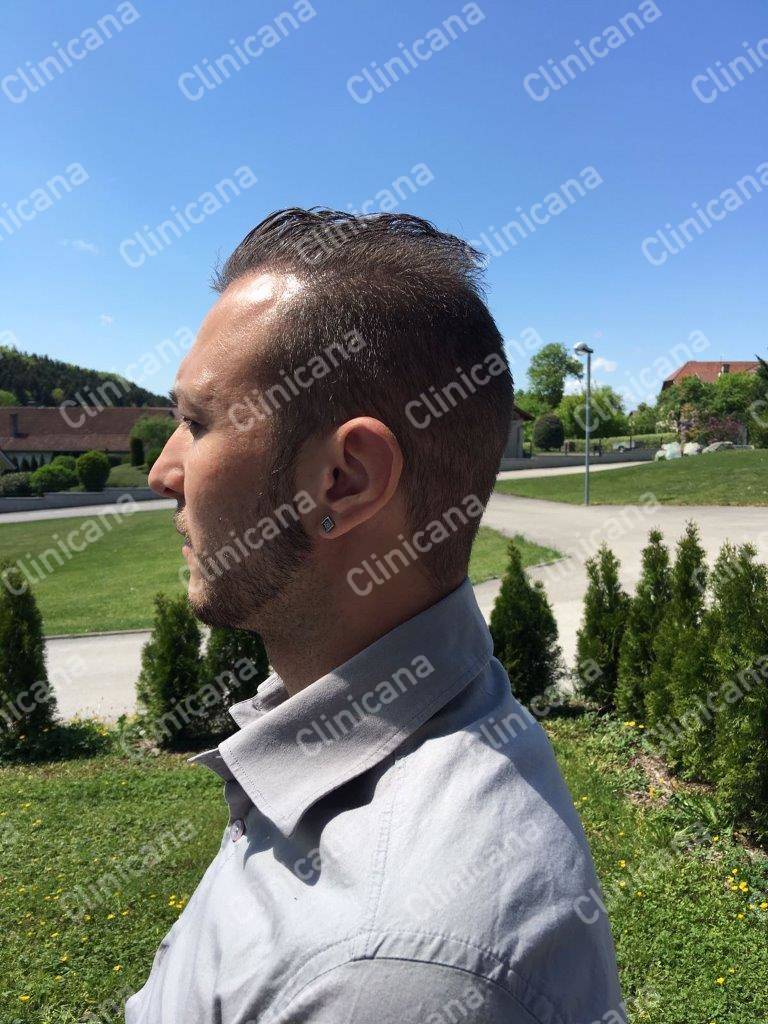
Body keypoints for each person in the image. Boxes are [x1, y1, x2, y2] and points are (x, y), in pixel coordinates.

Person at [127, 209, 623, 1023]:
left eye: (198, 422)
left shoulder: (388, 972)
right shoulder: (373, 716)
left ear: (346, 480)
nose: (162, 472)